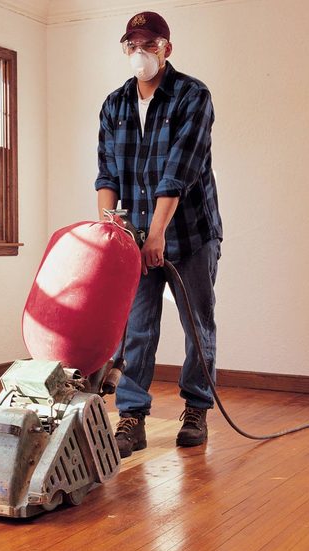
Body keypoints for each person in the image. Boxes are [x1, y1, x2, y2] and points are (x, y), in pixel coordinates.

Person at [95, 10, 223, 457]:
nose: (140, 52)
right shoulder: (114, 105)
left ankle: (196, 410)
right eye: (132, 45)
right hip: (134, 238)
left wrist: (157, 233)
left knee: (196, 326)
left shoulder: (193, 96)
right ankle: (131, 418)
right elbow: (107, 174)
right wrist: (111, 234)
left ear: (167, 47)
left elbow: (180, 171)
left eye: (149, 44)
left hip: (189, 236)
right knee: (138, 328)